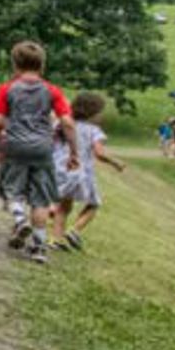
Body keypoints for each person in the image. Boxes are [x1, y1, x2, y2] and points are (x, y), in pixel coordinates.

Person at [0, 41, 73, 264]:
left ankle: (19, 219)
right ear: (42, 64)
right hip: (43, 148)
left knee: (11, 188)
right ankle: (39, 247)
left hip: (15, 145)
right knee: (41, 198)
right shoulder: (52, 91)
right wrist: (74, 152)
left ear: (15, 63)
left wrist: (0, 145)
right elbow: (67, 122)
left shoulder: (7, 89)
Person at [53, 92, 125, 251]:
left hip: (60, 169)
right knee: (93, 204)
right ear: (92, 113)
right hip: (80, 172)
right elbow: (99, 153)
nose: (101, 115)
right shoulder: (93, 130)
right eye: (100, 112)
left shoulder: (63, 123)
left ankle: (57, 239)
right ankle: (74, 231)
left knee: (63, 207)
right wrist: (115, 162)